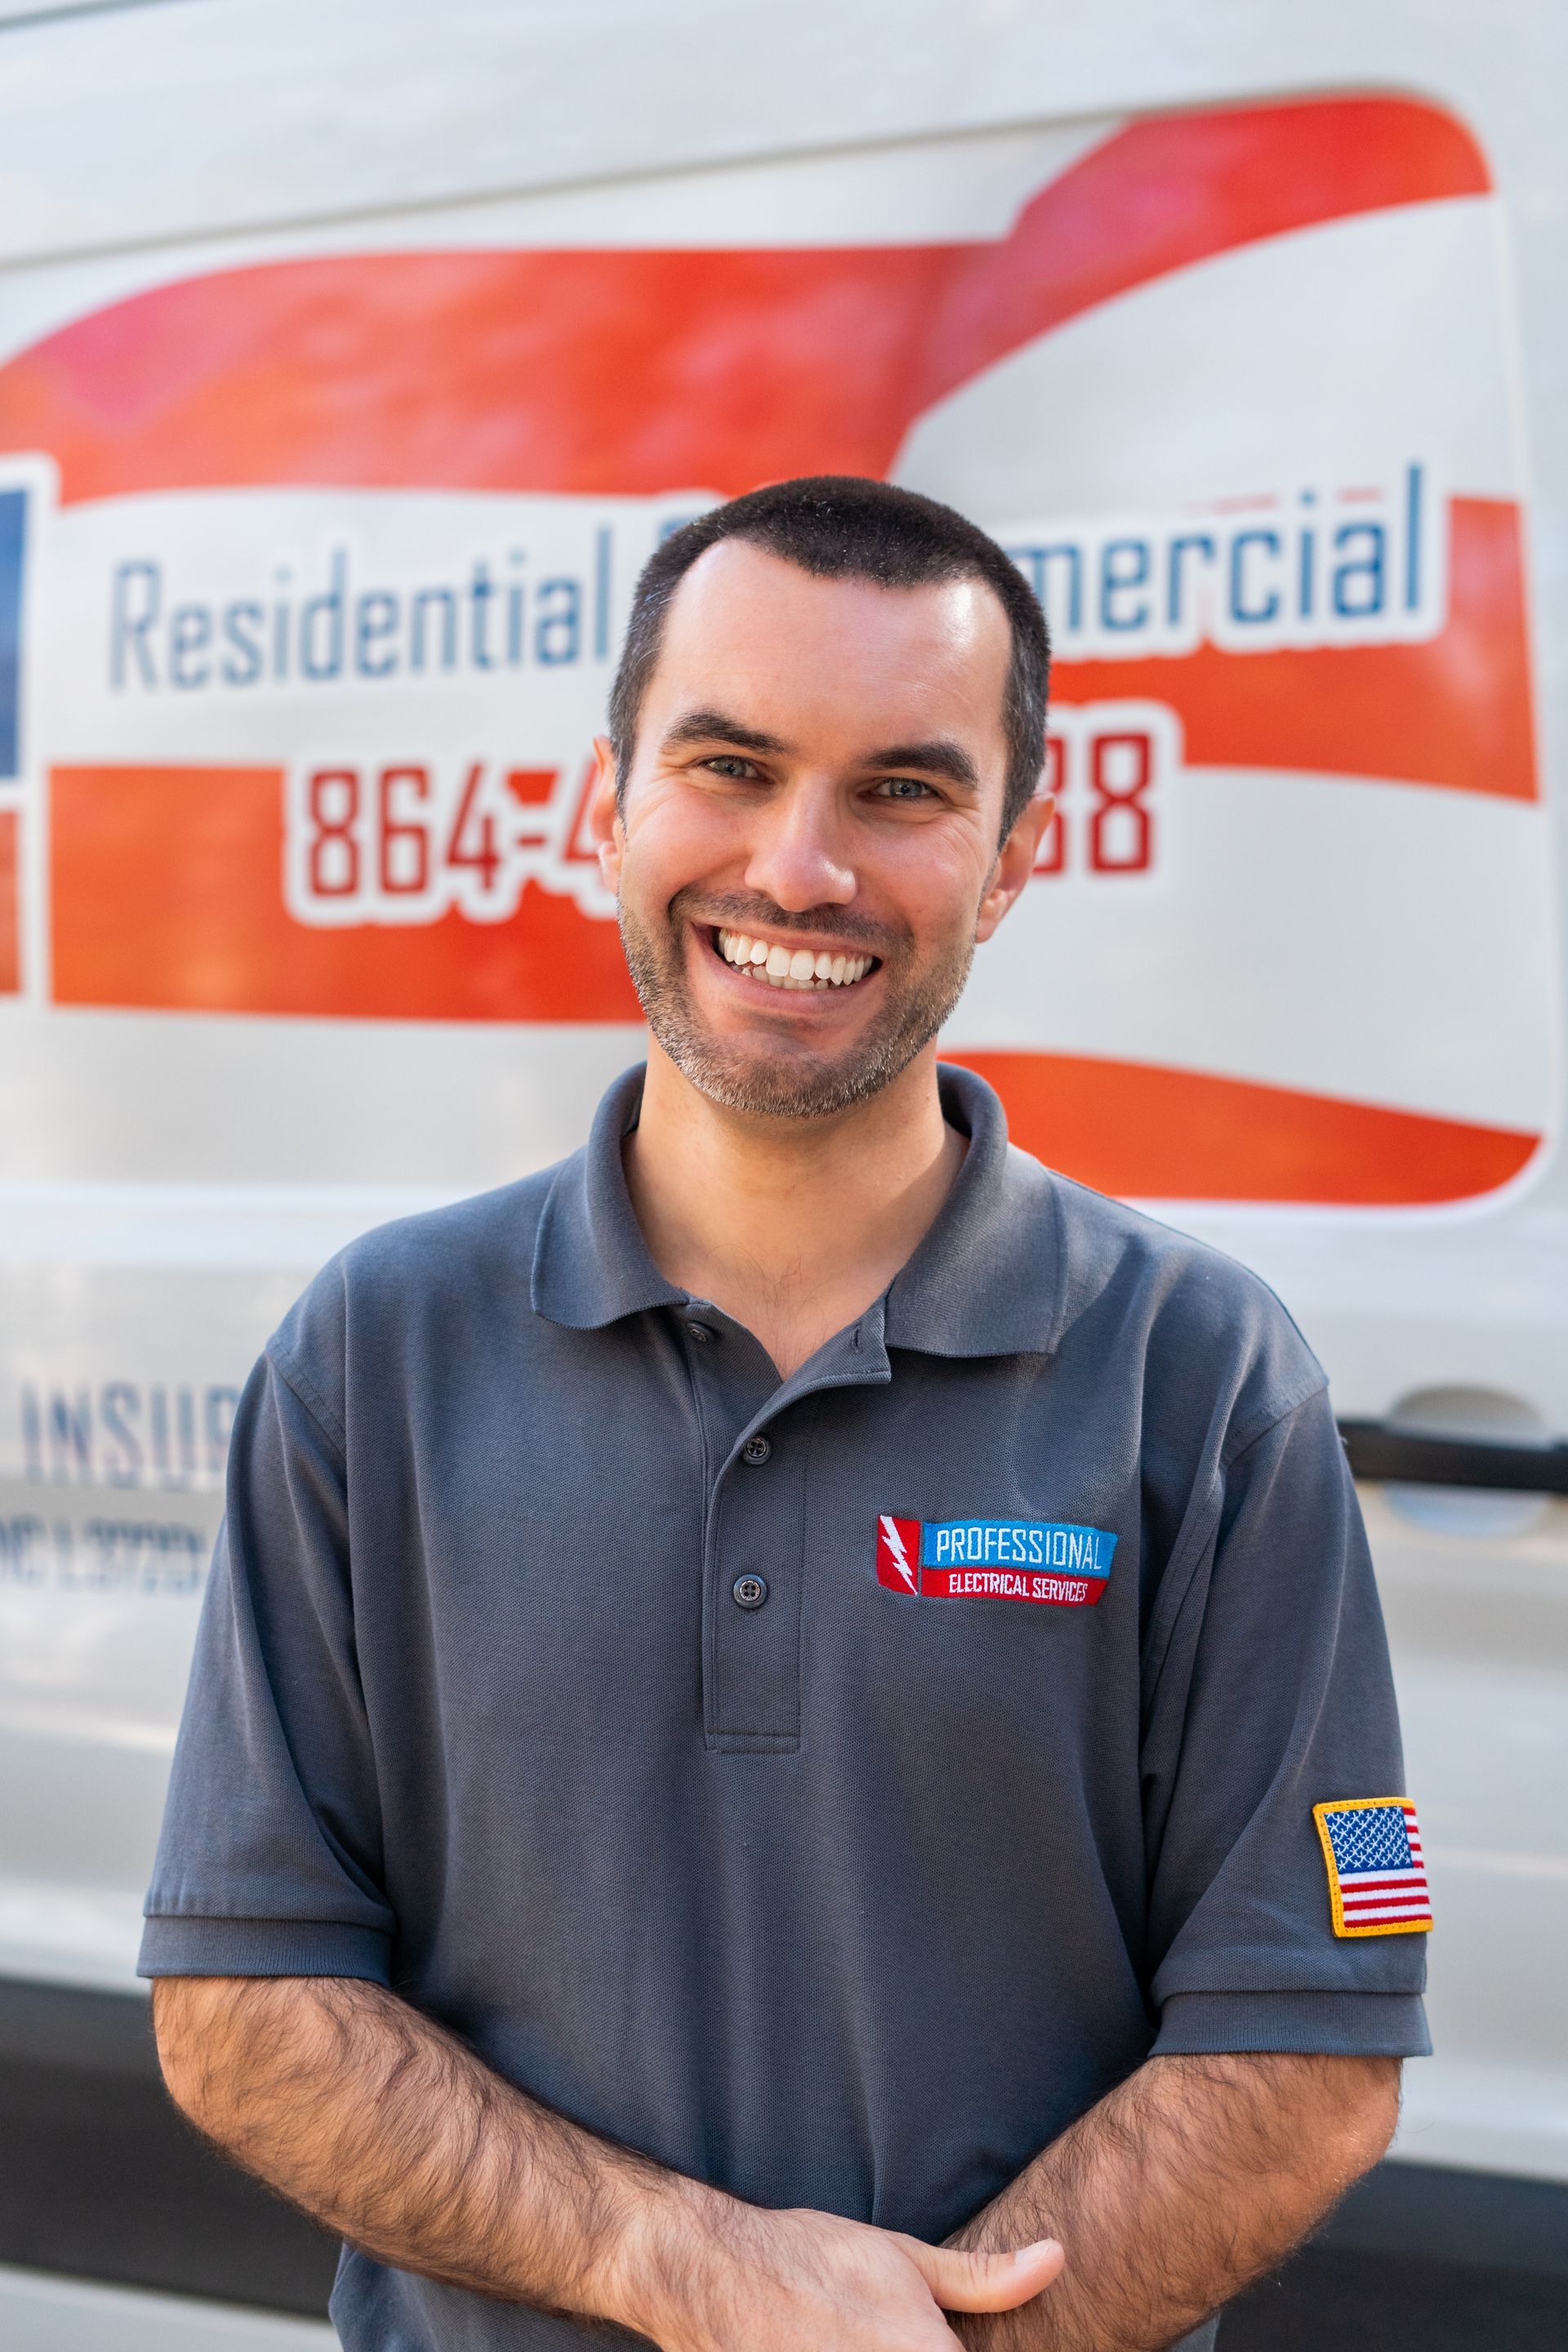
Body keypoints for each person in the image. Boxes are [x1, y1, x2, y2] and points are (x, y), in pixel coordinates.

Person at [144, 477, 1429, 2352]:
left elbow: (1307, 2052)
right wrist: (686, 2270)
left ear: (1010, 858)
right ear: (606, 807)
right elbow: (242, 2003)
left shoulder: (1205, 1376)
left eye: (901, 791)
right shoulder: (377, 1353)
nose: (801, 870)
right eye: (729, 767)